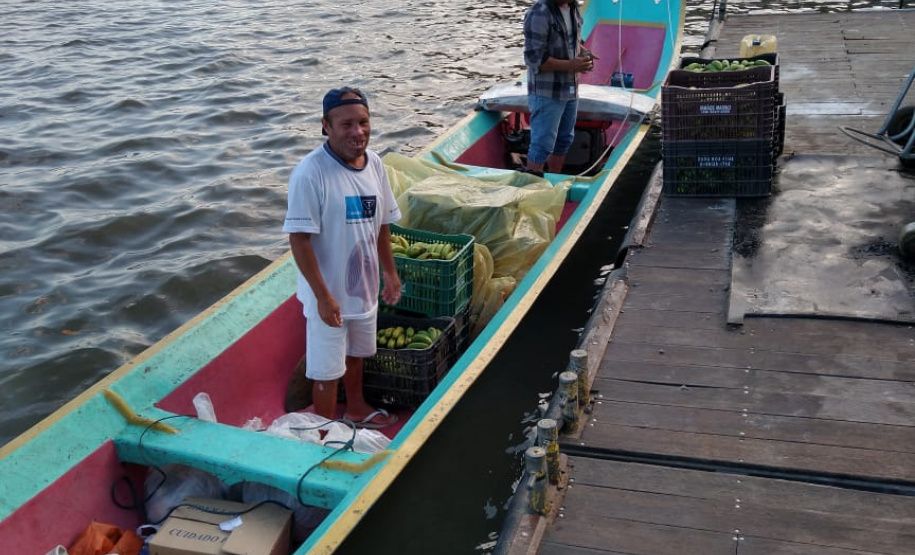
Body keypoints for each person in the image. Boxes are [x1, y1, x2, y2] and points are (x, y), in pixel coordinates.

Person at [283, 86, 402, 429]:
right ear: (326, 126)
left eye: (363, 122)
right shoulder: (310, 173)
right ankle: (323, 429)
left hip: (362, 287)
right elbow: (299, 240)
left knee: (356, 355)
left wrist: (390, 274)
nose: (358, 132)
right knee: (325, 369)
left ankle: (357, 408)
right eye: (346, 124)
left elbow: (380, 225)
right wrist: (323, 297)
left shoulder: (375, 165)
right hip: (329, 292)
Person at [523, 0, 595, 175]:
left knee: (564, 140)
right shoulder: (539, 13)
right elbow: (534, 59)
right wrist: (572, 65)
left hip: (570, 89)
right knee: (542, 145)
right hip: (547, 93)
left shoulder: (573, 8)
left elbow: (571, 39)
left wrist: (584, 52)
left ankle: (553, 180)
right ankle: (533, 191)